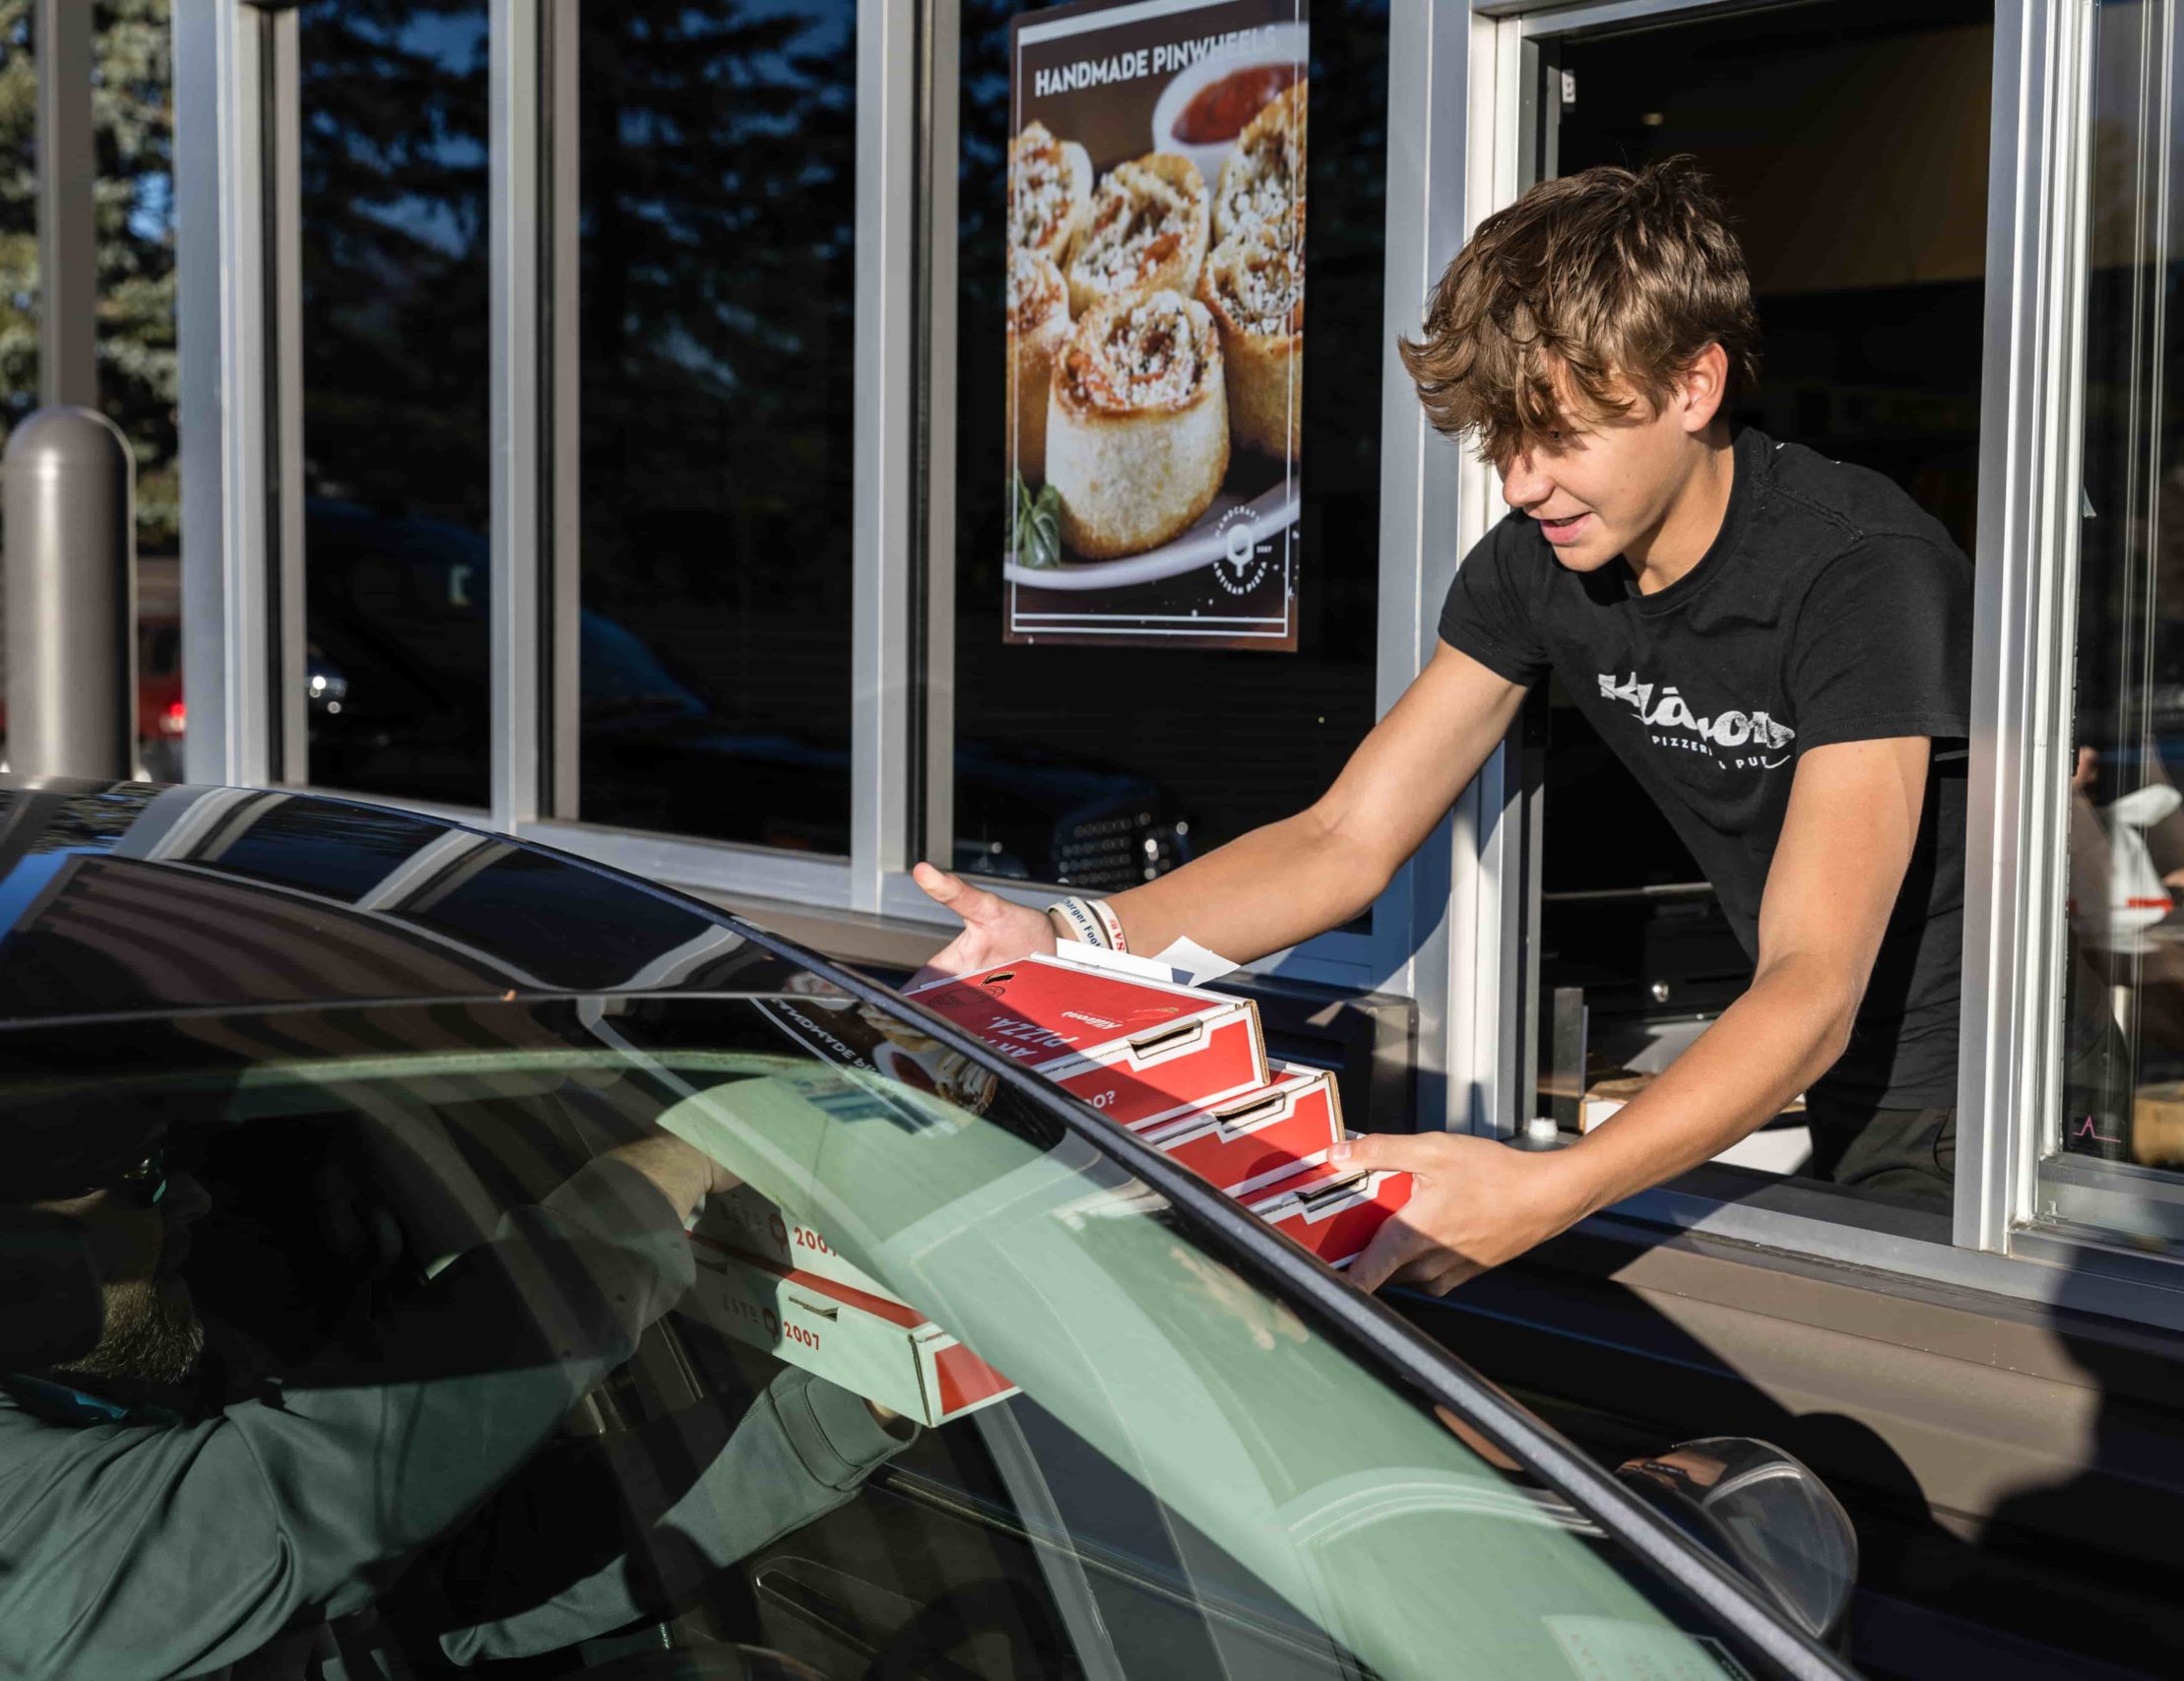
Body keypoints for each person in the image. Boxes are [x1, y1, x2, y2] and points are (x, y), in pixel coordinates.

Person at [914, 156, 1974, 1293]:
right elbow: (1342, 841)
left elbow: (1814, 980)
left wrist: (1546, 1187)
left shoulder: (1857, 571)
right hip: (1772, 1045)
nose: (1521, 484)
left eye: (1559, 437)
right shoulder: (1537, 567)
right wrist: (1079, 943)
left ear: (1692, 386)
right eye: (1501, 444)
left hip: (1960, 1087)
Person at [0, 1117, 913, 1679]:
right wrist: (665, 1175)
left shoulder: (142, 1382)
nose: (192, 1199)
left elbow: (436, 1588)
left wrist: (832, 1423)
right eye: (137, 1180)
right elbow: (324, 1496)